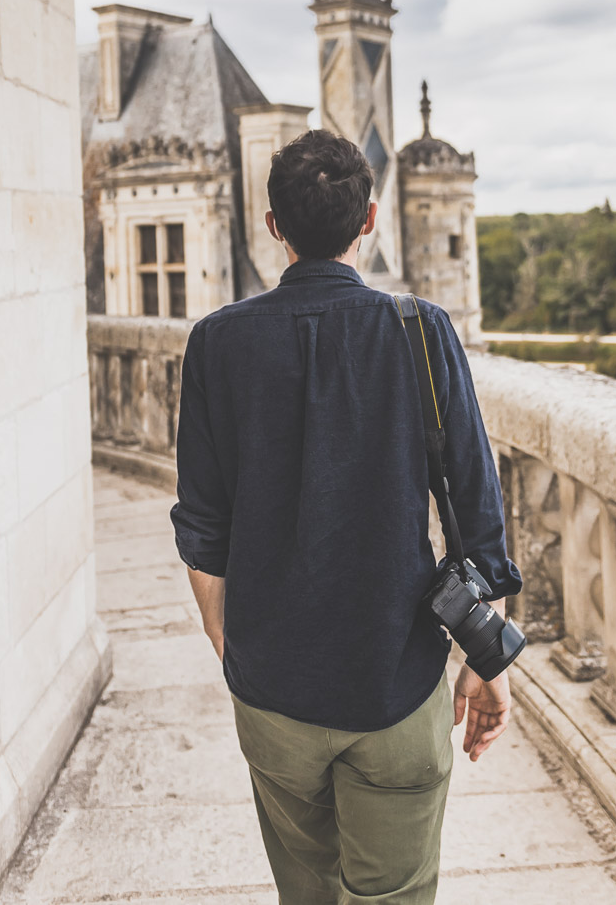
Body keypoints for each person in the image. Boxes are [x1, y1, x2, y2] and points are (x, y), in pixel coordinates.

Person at [170, 128, 522, 905]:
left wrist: (234, 647)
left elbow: (202, 529)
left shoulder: (216, 344)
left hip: (273, 692)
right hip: (395, 683)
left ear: (273, 227)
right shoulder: (421, 331)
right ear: (369, 221)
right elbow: (477, 509)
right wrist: (485, 664)